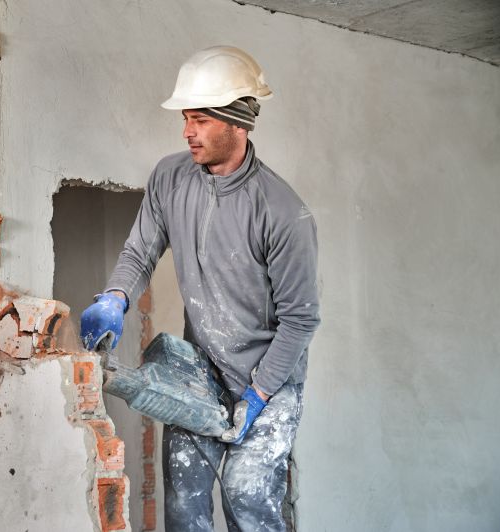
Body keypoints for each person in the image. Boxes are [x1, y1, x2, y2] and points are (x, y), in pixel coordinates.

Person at [80, 46, 320, 532]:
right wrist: (116, 296)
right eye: (186, 118)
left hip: (268, 385)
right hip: (199, 373)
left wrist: (257, 395)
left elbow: (300, 320)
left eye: (201, 120)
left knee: (249, 502)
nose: (187, 131)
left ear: (238, 122)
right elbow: (139, 253)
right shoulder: (170, 177)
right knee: (185, 501)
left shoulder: (281, 211)